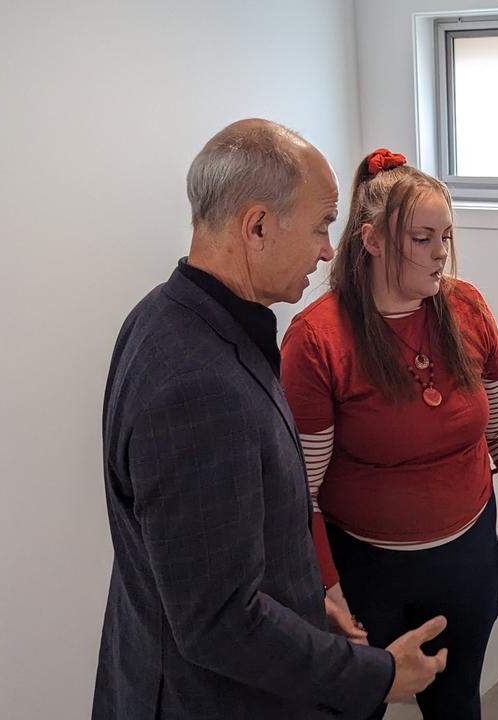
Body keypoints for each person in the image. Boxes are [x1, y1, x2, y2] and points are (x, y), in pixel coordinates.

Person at [93, 121, 447, 720]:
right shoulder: (198, 386)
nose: (329, 249)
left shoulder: (164, 316)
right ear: (256, 226)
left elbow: (222, 545)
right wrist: (380, 675)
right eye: (321, 226)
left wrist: (305, 598)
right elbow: (219, 622)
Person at [280, 148, 498, 719]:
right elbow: (299, 493)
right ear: (374, 239)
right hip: (365, 573)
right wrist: (328, 590)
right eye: (423, 239)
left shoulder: (465, 308)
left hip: (465, 562)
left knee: (457, 705)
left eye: (446, 237)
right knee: (356, 710)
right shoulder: (318, 340)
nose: (441, 255)